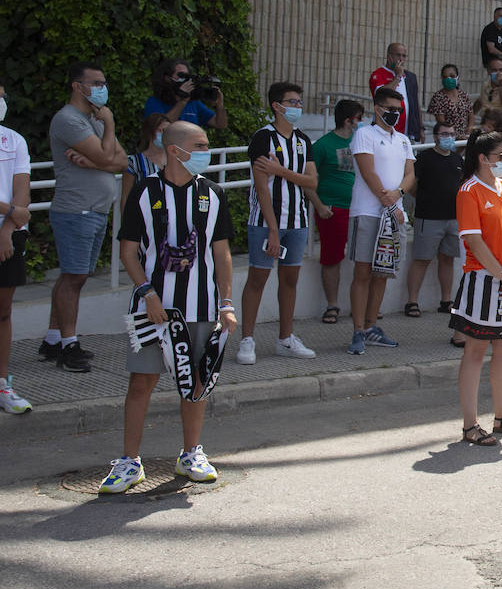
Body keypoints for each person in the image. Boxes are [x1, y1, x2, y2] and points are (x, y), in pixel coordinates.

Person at [100, 121, 235, 493]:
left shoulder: (214, 193)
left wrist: (226, 304)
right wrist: (148, 292)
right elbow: (128, 251)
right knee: (141, 382)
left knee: (196, 384)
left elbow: (221, 254)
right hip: (152, 308)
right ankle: (129, 462)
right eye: (201, 145)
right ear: (176, 150)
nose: (207, 151)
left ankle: (191, 453)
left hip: (202, 306)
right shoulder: (143, 191)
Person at [445, 131, 502, 444]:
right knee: (476, 350)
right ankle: (470, 425)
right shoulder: (469, 191)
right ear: (483, 159)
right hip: (484, 279)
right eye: (501, 156)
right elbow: (474, 241)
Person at [42, 62, 126, 373]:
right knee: (74, 277)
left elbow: (122, 161)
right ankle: (68, 345)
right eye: (97, 83)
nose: (102, 88)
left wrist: (95, 164)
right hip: (76, 209)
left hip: (95, 209)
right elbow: (108, 156)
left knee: (72, 277)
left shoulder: (96, 118)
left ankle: (52, 340)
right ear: (78, 86)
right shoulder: (69, 120)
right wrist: (111, 126)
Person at [238, 81, 319, 365]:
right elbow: (261, 188)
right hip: (266, 221)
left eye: (299, 101)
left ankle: (286, 338)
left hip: (297, 220)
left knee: (290, 279)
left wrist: (280, 170)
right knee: (258, 277)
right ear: (277, 105)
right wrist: (272, 230)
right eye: (292, 102)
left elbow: (312, 181)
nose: (298, 106)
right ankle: (247, 338)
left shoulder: (303, 140)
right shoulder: (263, 138)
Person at [346, 87, 416, 355]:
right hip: (367, 212)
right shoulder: (364, 134)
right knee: (362, 272)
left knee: (382, 272)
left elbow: (410, 174)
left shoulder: (403, 140)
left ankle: (372, 326)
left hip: (394, 216)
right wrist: (389, 203)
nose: (395, 114)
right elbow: (368, 172)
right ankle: (358, 330)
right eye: (390, 109)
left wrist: (398, 195)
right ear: (377, 108)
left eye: (398, 110)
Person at [307, 99, 363, 325]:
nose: (361, 122)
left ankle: (362, 305)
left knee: (364, 258)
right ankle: (332, 305)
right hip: (333, 209)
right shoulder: (322, 145)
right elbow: (309, 179)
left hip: (359, 208)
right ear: (349, 120)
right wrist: (319, 205)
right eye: (359, 118)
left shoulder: (361, 141)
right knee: (332, 258)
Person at [403, 121, 466, 317]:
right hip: (428, 217)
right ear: (436, 136)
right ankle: (412, 301)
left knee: (447, 260)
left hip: (453, 218)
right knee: (422, 259)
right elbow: (412, 184)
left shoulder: (457, 159)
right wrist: (422, 199)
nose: (449, 137)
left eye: (452, 133)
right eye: (445, 133)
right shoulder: (425, 158)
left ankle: (446, 300)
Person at [0, 86, 33, 414]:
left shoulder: (14, 139)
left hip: (9, 236)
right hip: (9, 220)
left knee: (4, 312)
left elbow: (22, 191)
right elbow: (16, 207)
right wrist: (11, 210)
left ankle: (2, 383)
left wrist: (8, 228)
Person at [144, 58, 227, 129]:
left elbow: (220, 124)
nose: (184, 80)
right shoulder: (154, 102)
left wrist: (220, 106)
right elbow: (162, 126)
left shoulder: (193, 103)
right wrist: (182, 101)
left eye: (186, 76)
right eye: (180, 76)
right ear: (167, 78)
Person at [369, 42, 424, 144]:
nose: (401, 59)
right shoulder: (378, 74)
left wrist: (420, 127)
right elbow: (382, 95)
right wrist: (398, 76)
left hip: (407, 132)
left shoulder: (410, 76)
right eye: (398, 55)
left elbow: (415, 103)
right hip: (385, 129)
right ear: (389, 56)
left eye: (404, 56)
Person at [122, 113, 171, 211]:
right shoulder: (133, 162)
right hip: (143, 215)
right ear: (149, 132)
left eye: (167, 131)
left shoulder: (176, 160)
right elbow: (126, 197)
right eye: (160, 130)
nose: (163, 134)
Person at [427, 63, 473, 135]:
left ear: (457, 77)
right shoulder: (438, 97)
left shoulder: (464, 95)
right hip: (448, 136)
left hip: (465, 138)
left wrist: (469, 130)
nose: (448, 79)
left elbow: (471, 116)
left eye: (452, 76)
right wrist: (456, 135)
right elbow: (441, 122)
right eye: (445, 77)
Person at [475, 58, 502, 125]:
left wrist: (500, 85)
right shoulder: (485, 86)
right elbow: (479, 102)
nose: (498, 73)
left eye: (501, 70)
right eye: (494, 70)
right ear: (489, 71)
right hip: (486, 126)